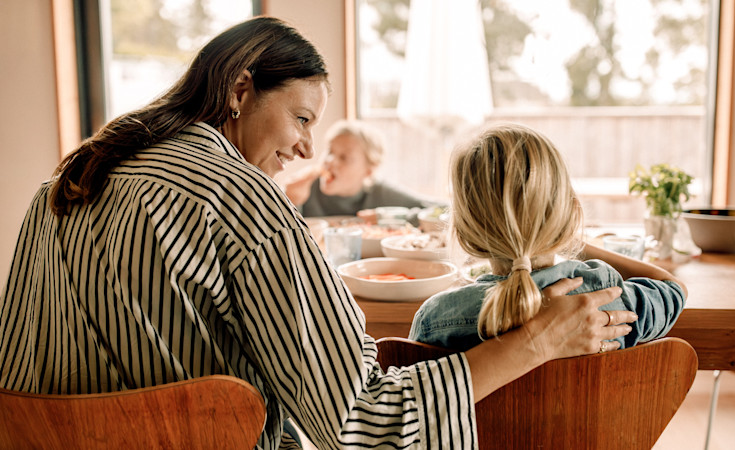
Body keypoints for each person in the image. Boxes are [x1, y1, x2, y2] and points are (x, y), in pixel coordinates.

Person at [0, 18, 636, 450]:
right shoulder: (243, 201)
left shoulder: (64, 183)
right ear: (241, 90)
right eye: (302, 116)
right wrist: (539, 340)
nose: (307, 146)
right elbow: (362, 424)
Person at [409, 123, 688, 352]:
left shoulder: (436, 318)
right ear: (568, 213)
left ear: (464, 228)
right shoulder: (606, 295)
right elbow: (673, 288)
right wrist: (574, 242)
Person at [284, 119, 443, 218]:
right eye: (330, 151)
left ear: (369, 171)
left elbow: (445, 211)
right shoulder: (305, 189)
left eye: (344, 157)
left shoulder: (380, 194)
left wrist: (385, 217)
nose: (330, 161)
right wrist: (290, 202)